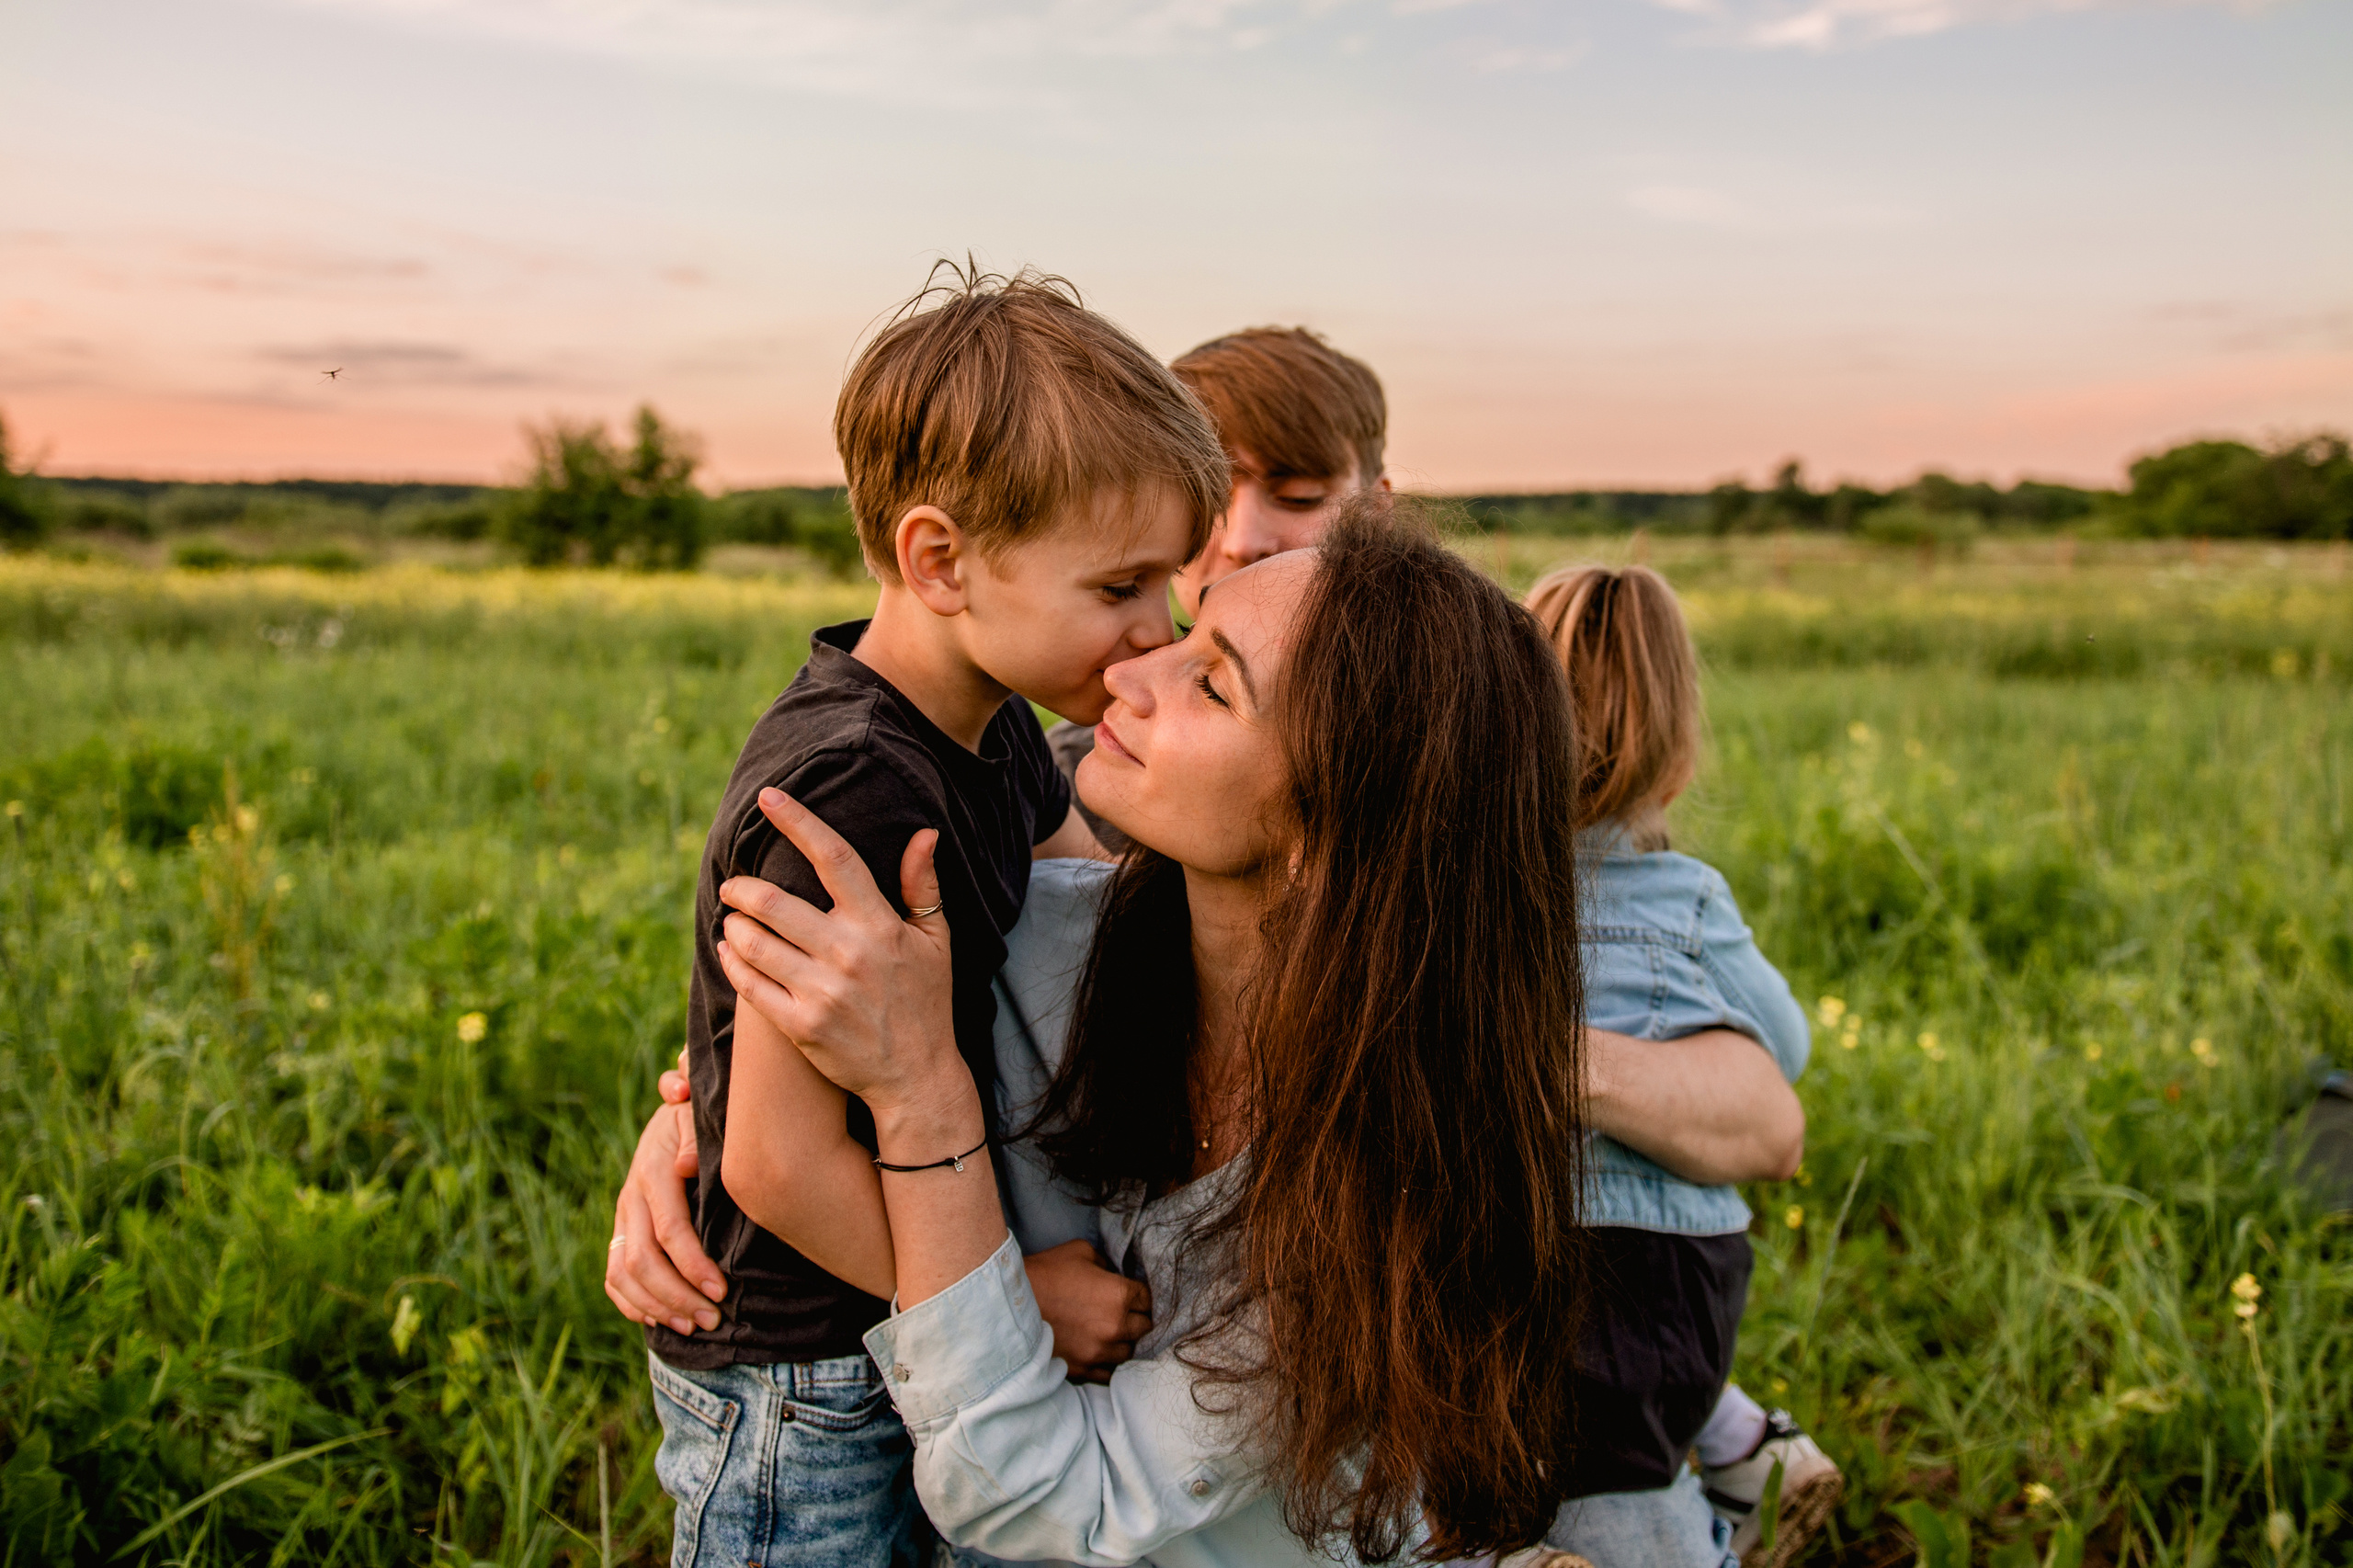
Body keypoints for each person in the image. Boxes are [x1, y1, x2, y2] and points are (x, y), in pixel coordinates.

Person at [703, 503, 1594, 1565]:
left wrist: (921, 1097)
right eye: (1187, 629)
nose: (1133, 672)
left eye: (1211, 682)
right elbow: (794, 1067)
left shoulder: (1401, 1187)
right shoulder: (1033, 941)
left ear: (1333, 836)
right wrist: (690, 1127)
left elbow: (1040, 1501)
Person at [627, 263, 1229, 1568]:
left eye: (1169, 586)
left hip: (895, 1317)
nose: (1155, 629)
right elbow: (772, 1161)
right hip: (802, 1365)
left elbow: (1101, 901)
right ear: (941, 559)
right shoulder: (853, 779)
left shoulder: (998, 729)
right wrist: (1012, 1299)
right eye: (1120, 586)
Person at [1524, 563, 1843, 1568]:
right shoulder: (1688, 899)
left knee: (1516, 1454)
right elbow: (1781, 1049)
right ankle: (1738, 1463)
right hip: (1665, 1270)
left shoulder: (1478, 886)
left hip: (1516, 1244)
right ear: (1676, 765)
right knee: (1639, 1462)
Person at [1047, 326, 1391, 853]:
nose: (1242, 541)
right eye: (1207, 500)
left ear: (1377, 512)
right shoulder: (1069, 775)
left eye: (1299, 497)